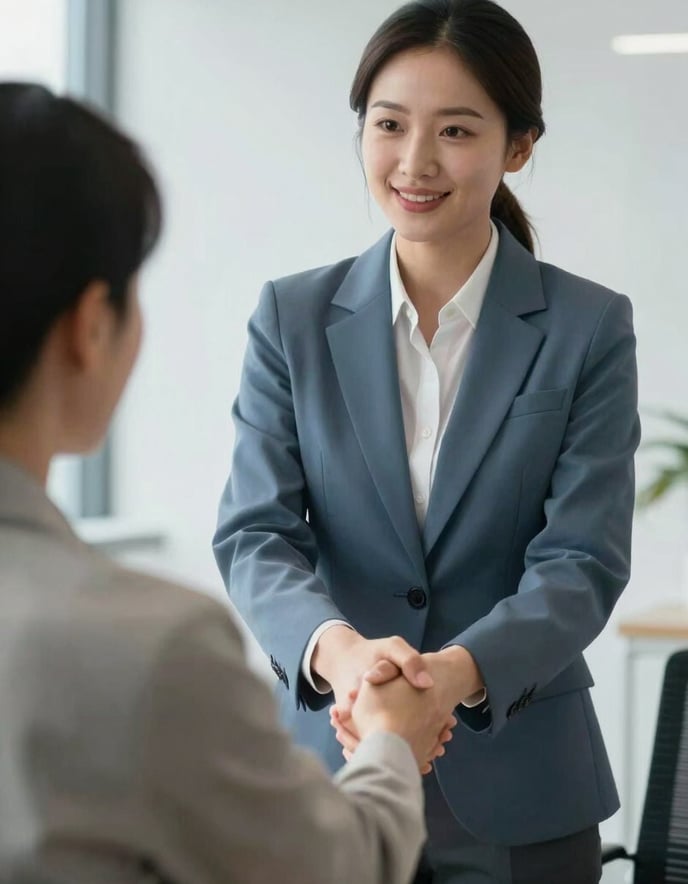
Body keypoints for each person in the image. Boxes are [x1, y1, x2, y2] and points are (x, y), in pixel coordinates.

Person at [214, 0, 640, 881]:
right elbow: (255, 535)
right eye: (389, 125)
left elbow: (581, 561)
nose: (414, 162)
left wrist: (452, 675)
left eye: (454, 130)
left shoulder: (588, 326)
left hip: (523, 785)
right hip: (327, 771)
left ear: (518, 146)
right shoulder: (291, 319)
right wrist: (346, 657)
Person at [0, 82, 455, 884]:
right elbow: (339, 869)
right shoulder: (149, 647)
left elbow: (580, 558)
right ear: (90, 325)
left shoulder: (587, 324)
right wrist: (388, 733)